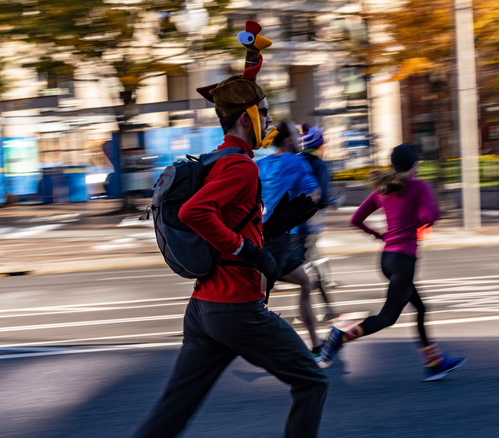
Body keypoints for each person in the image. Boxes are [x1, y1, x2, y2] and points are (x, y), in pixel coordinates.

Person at [133, 65, 328, 437]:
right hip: (236, 308)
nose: (269, 121)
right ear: (246, 118)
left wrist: (277, 224)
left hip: (203, 309)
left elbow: (232, 221)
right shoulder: (241, 167)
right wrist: (249, 253)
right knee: (312, 383)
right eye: (265, 113)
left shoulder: (217, 160)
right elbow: (196, 213)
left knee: (172, 410)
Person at [319, 144, 466, 381]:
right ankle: (340, 337)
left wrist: (381, 235)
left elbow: (356, 219)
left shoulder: (384, 188)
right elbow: (430, 217)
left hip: (387, 259)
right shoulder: (419, 186)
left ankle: (435, 363)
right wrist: (424, 214)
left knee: (420, 308)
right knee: (387, 318)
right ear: (415, 165)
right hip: (403, 261)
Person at [257, 119, 323, 359]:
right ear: (287, 140)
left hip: (261, 237)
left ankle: (316, 346)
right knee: (254, 302)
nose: (299, 140)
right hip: (279, 241)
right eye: (296, 136)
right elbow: (315, 195)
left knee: (305, 283)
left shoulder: (260, 164)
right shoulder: (297, 161)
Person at [297, 125, 342, 318]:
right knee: (313, 264)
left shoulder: (296, 160)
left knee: (310, 263)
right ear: (320, 145)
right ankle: (327, 310)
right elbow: (322, 197)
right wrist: (335, 201)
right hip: (311, 224)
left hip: (293, 223)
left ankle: (326, 308)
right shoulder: (319, 165)